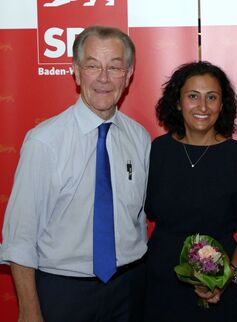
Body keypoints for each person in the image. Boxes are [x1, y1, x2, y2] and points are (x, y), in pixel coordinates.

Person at [0, 25, 150, 322]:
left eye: (115, 67)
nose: (104, 78)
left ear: (129, 73)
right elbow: (21, 236)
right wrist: (29, 310)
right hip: (63, 293)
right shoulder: (44, 141)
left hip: (130, 289)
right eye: (93, 65)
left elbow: (139, 219)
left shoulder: (140, 138)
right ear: (76, 72)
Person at [144, 61, 237, 322]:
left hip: (217, 288)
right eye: (193, 97)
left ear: (222, 105)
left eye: (212, 97)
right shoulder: (157, 152)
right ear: (177, 102)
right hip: (160, 286)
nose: (202, 107)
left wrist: (228, 276)